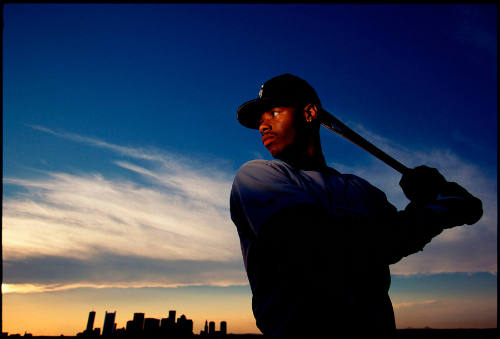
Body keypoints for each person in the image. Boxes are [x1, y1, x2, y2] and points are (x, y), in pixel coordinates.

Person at [229, 74, 483, 338]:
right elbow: (316, 247)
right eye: (260, 120)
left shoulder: (364, 191)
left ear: (309, 113)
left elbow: (398, 239)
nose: (263, 126)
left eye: (273, 113)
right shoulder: (257, 177)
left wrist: (433, 198)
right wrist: (437, 210)